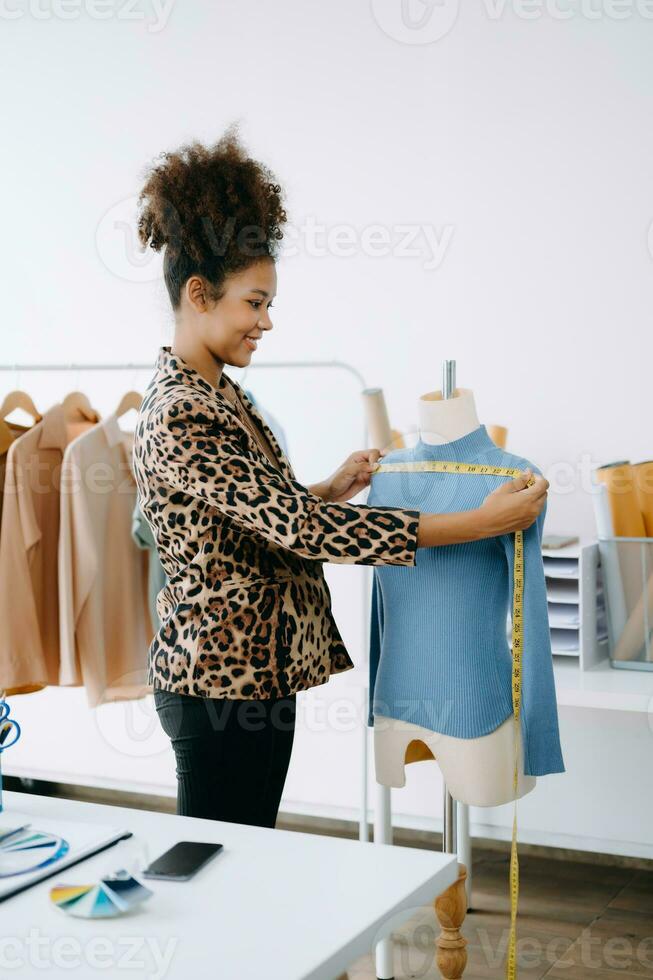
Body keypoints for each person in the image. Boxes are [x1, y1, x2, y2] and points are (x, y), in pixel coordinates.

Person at [132, 126, 549, 829]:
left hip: (255, 674)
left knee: (247, 858)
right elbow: (300, 531)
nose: (267, 321)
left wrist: (325, 487)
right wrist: (476, 525)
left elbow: (251, 513)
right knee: (215, 872)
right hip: (215, 683)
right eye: (254, 302)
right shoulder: (181, 412)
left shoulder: (220, 393)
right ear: (199, 294)